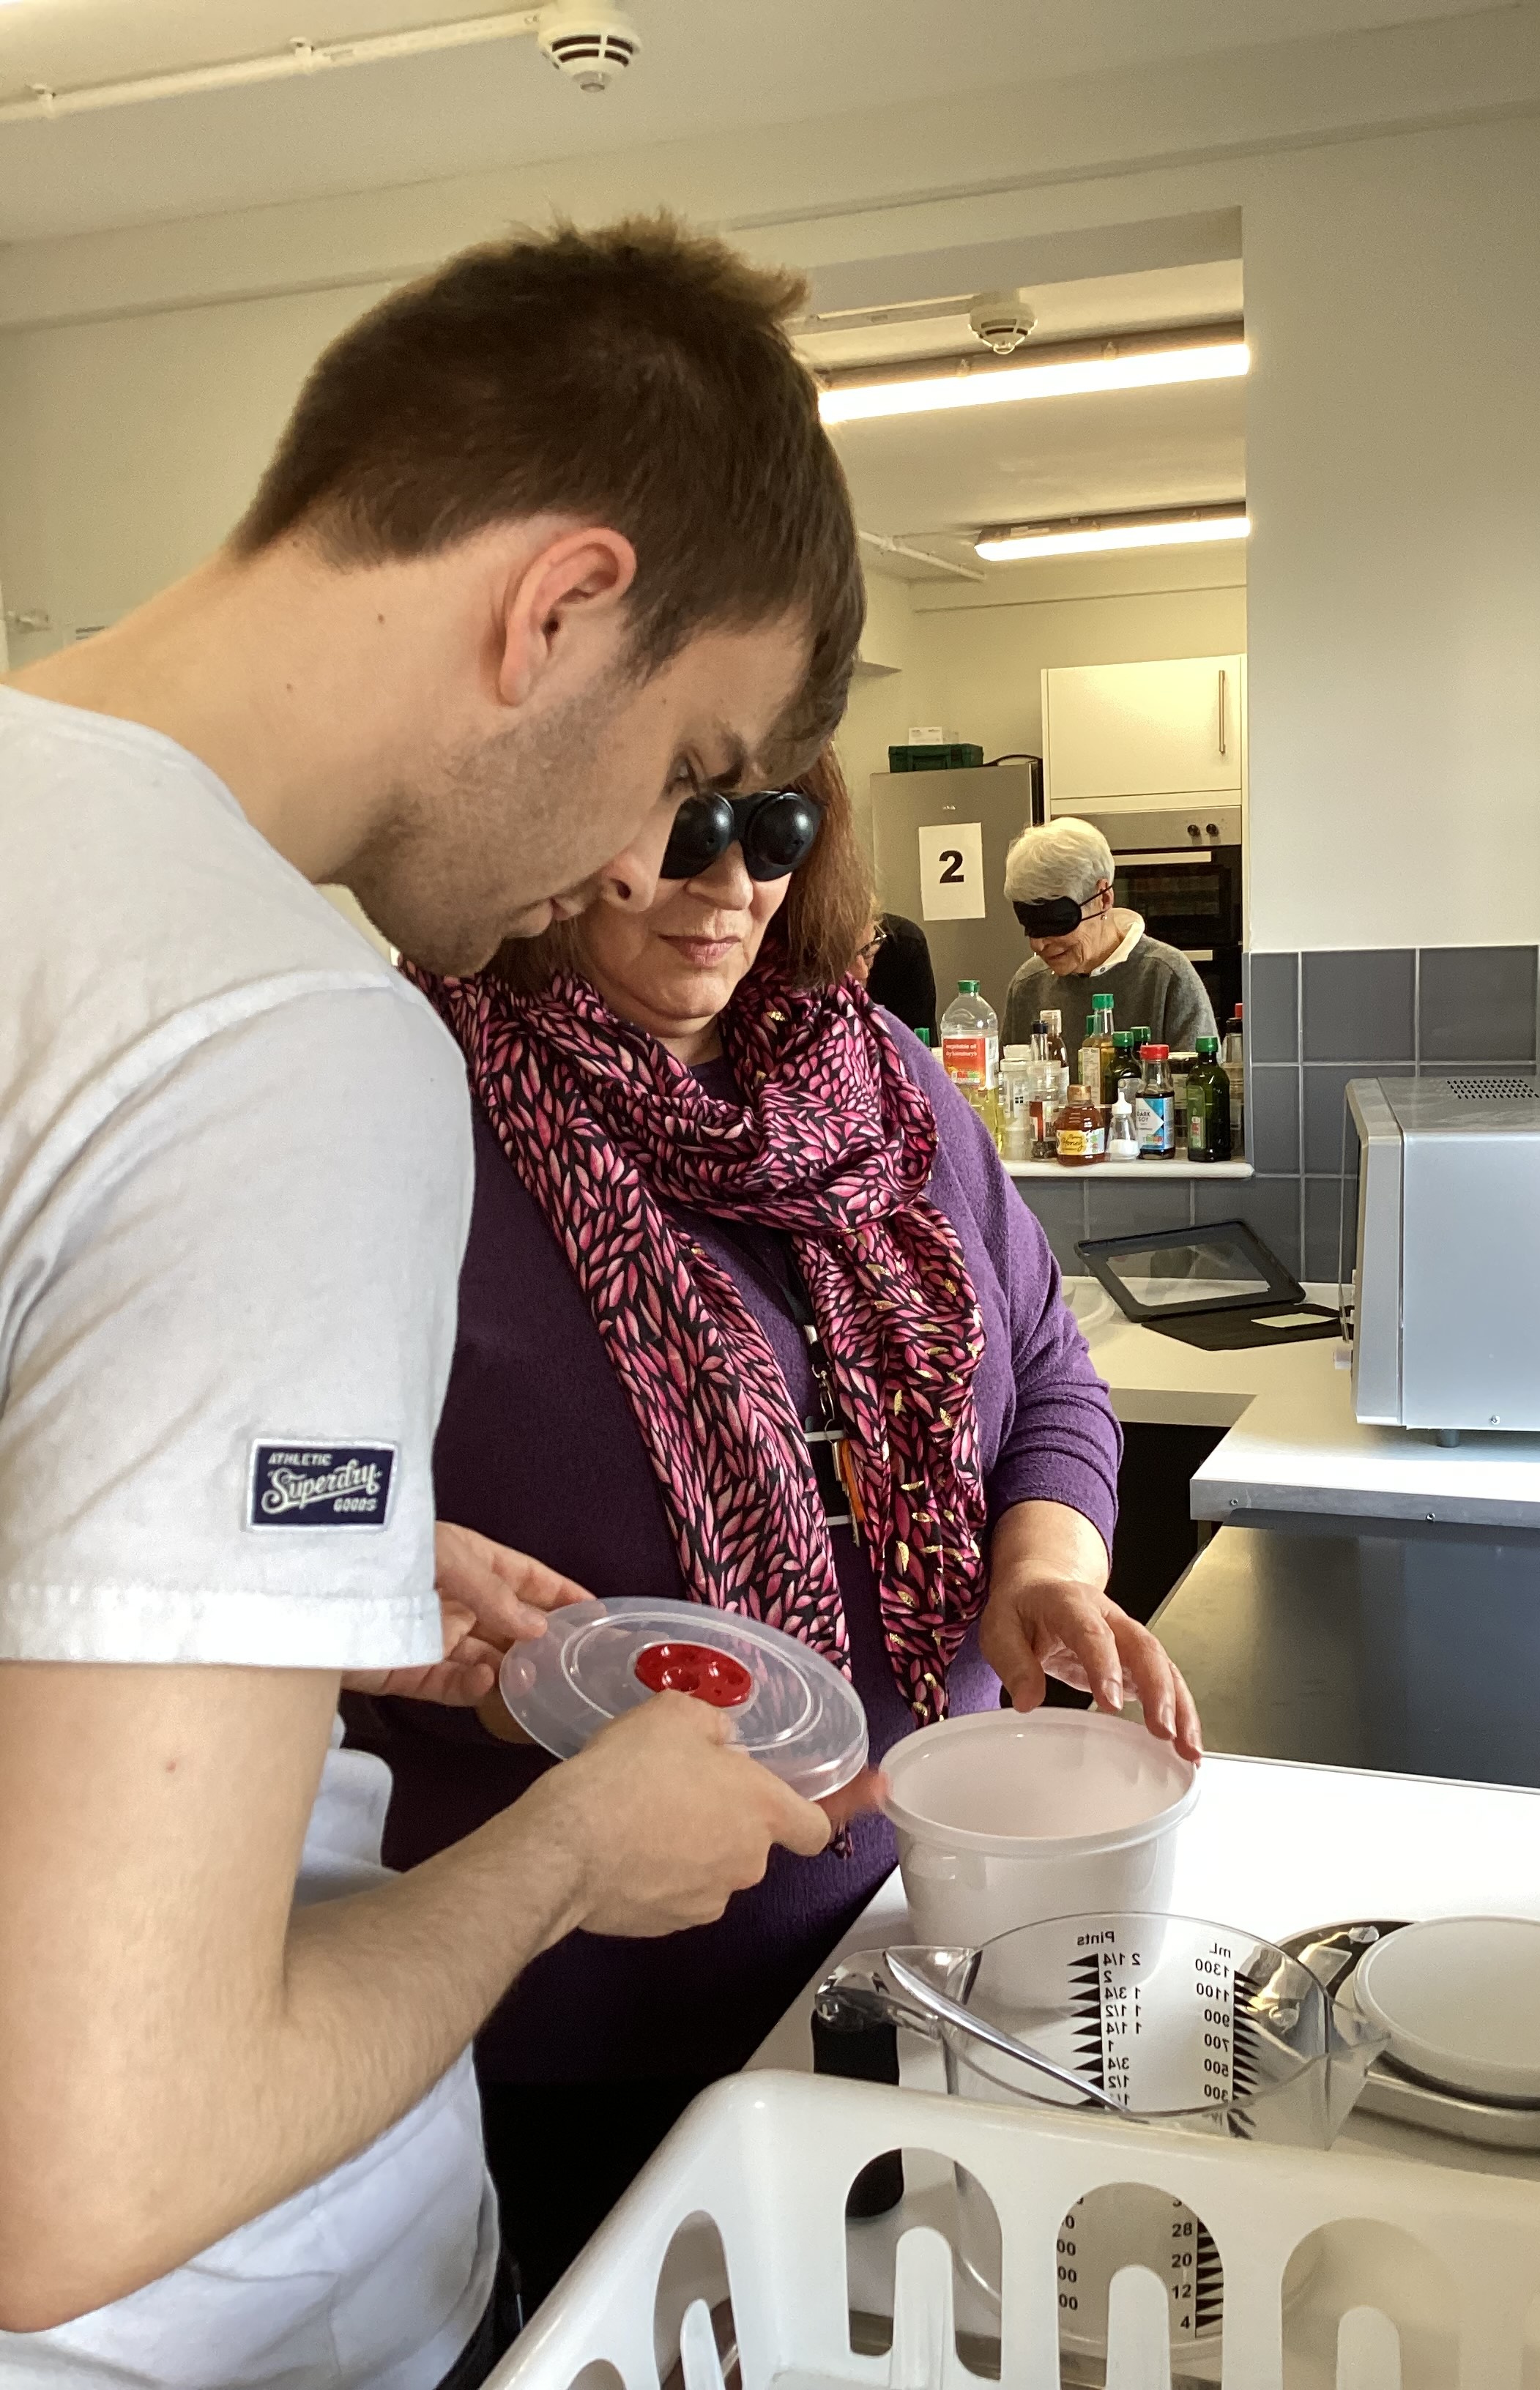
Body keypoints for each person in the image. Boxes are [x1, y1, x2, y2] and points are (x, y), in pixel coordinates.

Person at [0, 217, 865, 2387]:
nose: (658, 862)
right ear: (560, 605)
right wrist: (576, 1845)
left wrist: (301, 1600)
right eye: (693, 760)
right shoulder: (279, 1035)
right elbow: (88, 2166)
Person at [344, 746, 1202, 2307]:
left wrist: (1044, 1566)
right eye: (675, 825)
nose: (728, 879)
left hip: (927, 1940)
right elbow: (254, 1531)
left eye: (774, 825)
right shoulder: (394, 1102)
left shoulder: (877, 1077)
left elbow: (1053, 1376)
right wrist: (402, 1602)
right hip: (585, 2003)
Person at [1000, 816, 1218, 1051]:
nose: (1037, 944)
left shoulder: (1167, 977)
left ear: (1103, 898)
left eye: (1055, 921)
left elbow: (1200, 1082)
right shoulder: (1028, 985)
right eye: (1029, 924)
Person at [853, 904, 937, 1040]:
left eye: (868, 954)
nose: (864, 973)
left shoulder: (905, 943)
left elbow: (921, 1047)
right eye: (852, 955)